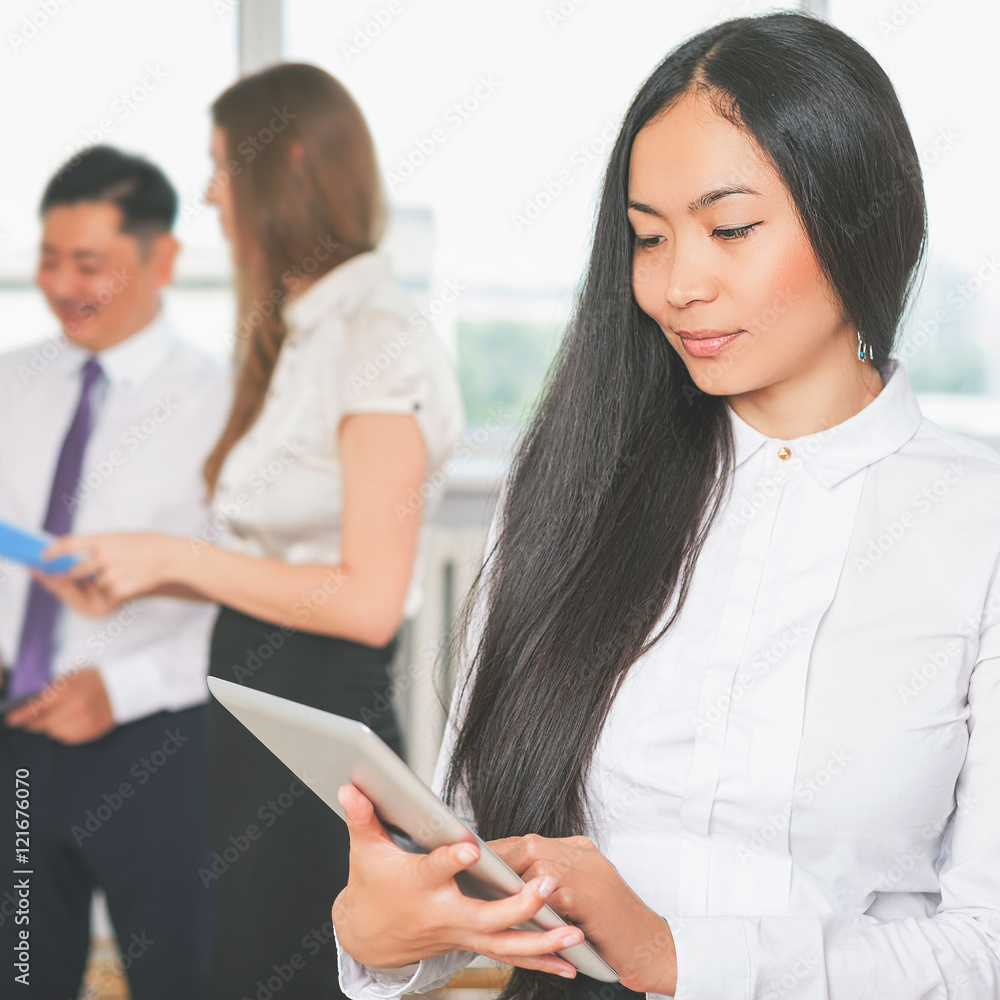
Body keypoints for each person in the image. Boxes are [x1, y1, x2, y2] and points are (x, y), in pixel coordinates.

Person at [329, 12, 1000, 1000]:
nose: (678, 282)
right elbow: (479, 853)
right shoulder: (570, 480)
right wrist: (381, 931)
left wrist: (680, 956)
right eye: (648, 238)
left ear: (857, 212)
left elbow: (983, 951)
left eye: (730, 229)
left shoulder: (973, 523)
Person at [38, 64, 466, 999]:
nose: (208, 195)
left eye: (223, 167)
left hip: (314, 713)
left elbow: (364, 602)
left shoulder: (376, 337)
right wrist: (151, 573)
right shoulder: (306, 332)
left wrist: (179, 559)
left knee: (285, 972)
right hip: (254, 705)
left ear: (293, 164)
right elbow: (284, 559)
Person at [0, 147, 231, 998]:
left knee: (178, 975)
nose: (63, 283)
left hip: (154, 736)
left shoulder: (223, 403)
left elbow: (243, 601)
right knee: (22, 972)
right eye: (50, 259)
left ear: (161, 259)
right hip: (16, 729)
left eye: (89, 262)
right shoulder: (10, 383)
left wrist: (121, 687)